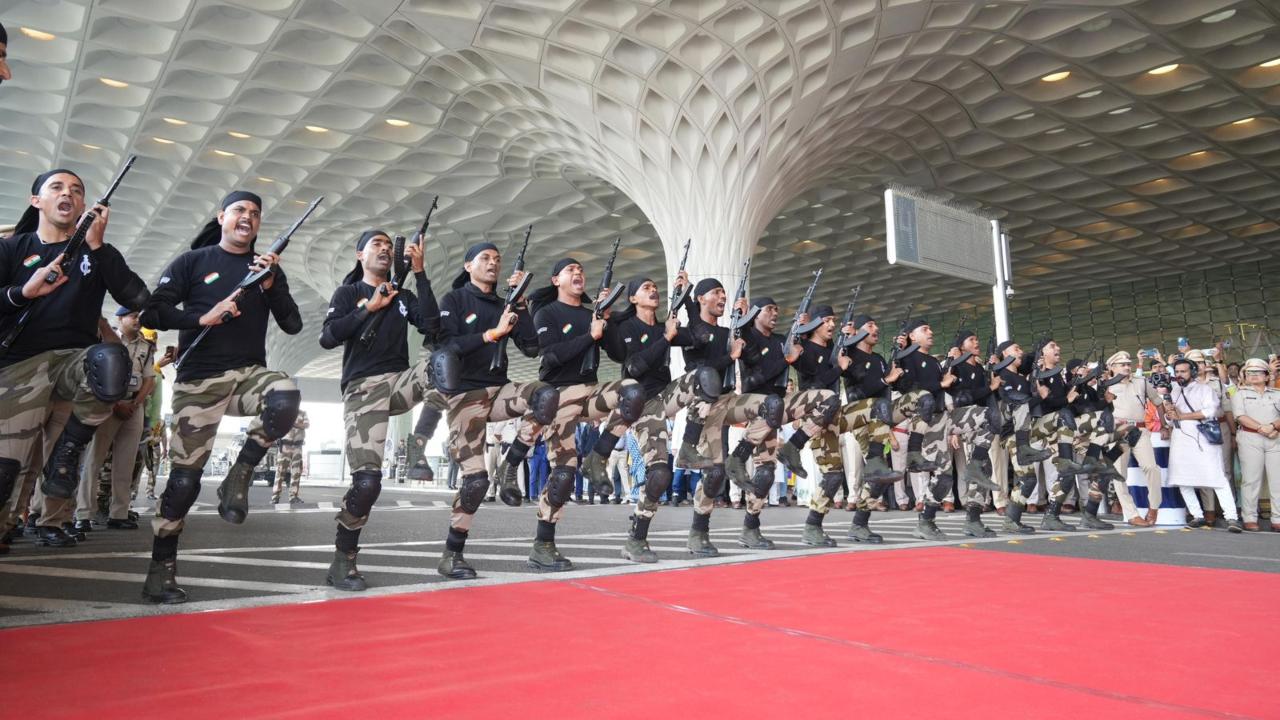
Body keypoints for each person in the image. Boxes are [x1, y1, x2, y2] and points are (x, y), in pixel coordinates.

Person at [139, 190, 304, 602]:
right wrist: (202, 317)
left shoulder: (267, 269)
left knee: (284, 394)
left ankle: (240, 474)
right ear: (221, 217)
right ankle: (161, 569)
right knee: (184, 481)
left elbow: (293, 324)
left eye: (255, 213)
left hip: (248, 375)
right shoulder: (193, 262)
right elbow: (153, 312)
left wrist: (271, 284)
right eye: (239, 210)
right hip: (199, 379)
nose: (247, 217)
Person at [0, 168, 148, 552]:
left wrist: (98, 246)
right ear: (36, 201)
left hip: (75, 365)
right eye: (57, 187)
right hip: (20, 365)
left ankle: (53, 520)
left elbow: (138, 299)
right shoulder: (12, 249)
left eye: (77, 190)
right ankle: (8, 521)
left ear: (83, 206)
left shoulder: (96, 253)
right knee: (12, 464)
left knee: (65, 452)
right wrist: (23, 292)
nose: (68, 193)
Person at [317, 228, 439, 590]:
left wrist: (420, 273)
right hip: (363, 388)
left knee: (444, 363)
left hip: (399, 381)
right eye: (377, 244)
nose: (385, 249)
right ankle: (343, 560)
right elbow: (328, 337)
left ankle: (417, 445)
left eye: (388, 245)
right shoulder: (349, 293)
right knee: (367, 482)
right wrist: (368, 308)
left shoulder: (404, 296)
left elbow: (433, 326)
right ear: (360, 255)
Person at [432, 242, 558, 579]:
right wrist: (491, 334)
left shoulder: (507, 303)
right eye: (485, 258)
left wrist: (521, 304)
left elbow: (531, 348)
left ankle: (510, 464)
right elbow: (446, 346)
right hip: (465, 394)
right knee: (475, 481)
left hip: (500, 391)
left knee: (545, 395)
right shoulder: (455, 300)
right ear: (468, 265)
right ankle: (452, 554)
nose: (493, 263)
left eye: (497, 260)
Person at [512, 257, 644, 571]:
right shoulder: (547, 312)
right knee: (563, 474)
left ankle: (597, 457)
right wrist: (589, 336)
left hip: (589, 393)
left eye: (581, 270)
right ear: (556, 280)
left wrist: (606, 319)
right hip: (558, 396)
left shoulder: (590, 315)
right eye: (571, 270)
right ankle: (543, 544)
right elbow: (550, 356)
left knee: (633, 391)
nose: (578, 273)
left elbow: (620, 354)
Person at [75, 306, 157, 531]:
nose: (138, 320)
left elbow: (149, 380)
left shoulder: (146, 346)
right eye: (133, 316)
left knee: (126, 463)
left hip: (133, 406)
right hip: (106, 403)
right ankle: (84, 513)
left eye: (140, 316)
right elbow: (93, 373)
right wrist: (116, 403)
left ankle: (119, 513)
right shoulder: (104, 339)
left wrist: (135, 404)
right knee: (94, 459)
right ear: (119, 318)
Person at [1164, 356, 1242, 533]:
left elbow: (1210, 411)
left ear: (1192, 372)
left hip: (1203, 437)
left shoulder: (1205, 389)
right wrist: (1169, 414)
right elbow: (1169, 421)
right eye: (1177, 372)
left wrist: (1182, 416)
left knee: (1216, 476)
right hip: (1180, 438)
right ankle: (1197, 515)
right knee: (1182, 478)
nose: (1179, 375)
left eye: (1183, 371)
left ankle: (1232, 517)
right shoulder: (1173, 391)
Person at [1231, 357, 1280, 531]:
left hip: (1275, 438)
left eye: (1258, 372)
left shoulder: (1276, 393)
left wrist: (1273, 426)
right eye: (1250, 372)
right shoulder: (1240, 394)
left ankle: (1277, 518)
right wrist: (1262, 428)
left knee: (1277, 480)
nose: (1253, 375)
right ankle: (1249, 517)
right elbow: (1240, 416)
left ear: (1267, 376)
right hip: (1250, 438)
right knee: (1251, 480)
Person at [271, 411, 308, 504]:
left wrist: (292, 424)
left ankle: (293, 497)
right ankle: (275, 497)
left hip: (297, 447)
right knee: (280, 471)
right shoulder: (283, 411)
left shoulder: (302, 413)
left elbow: (306, 425)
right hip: (285, 446)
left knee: (296, 472)